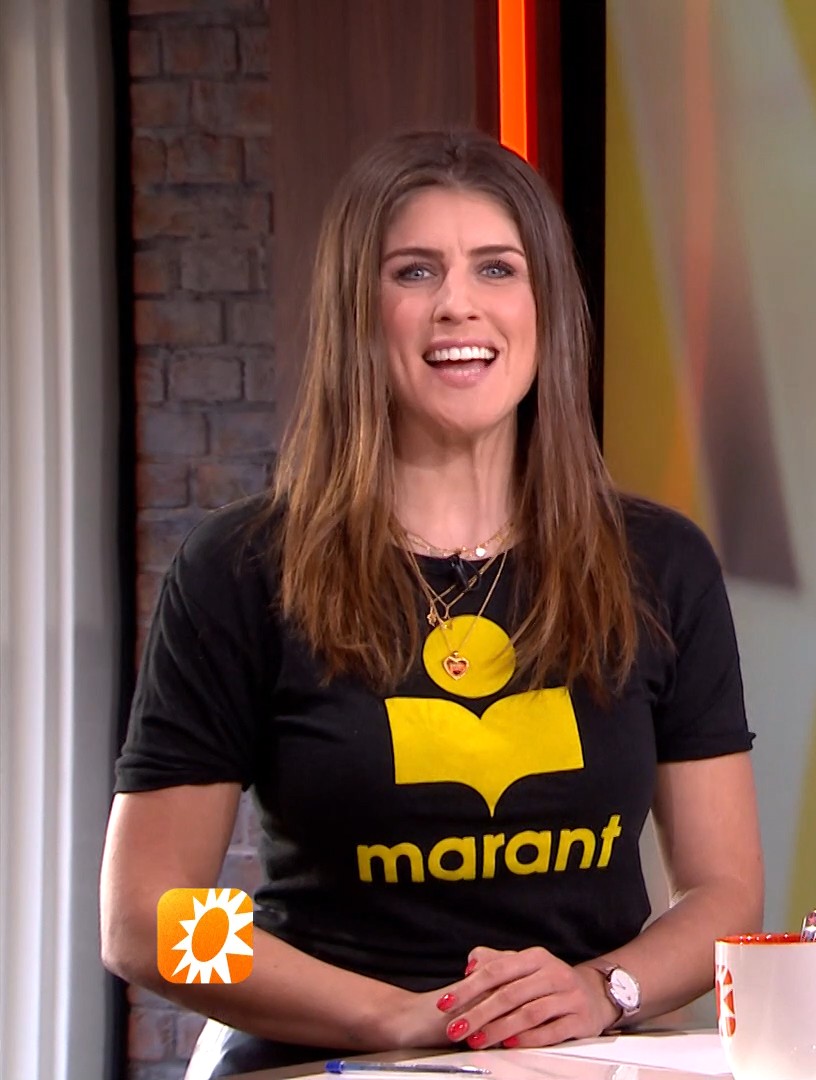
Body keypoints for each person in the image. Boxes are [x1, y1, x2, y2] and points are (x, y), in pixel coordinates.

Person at [100, 130, 764, 1077]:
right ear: (357, 312)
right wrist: (397, 1019)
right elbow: (147, 919)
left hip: (580, 1057)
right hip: (331, 1059)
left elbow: (725, 895)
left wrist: (602, 989)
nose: (459, 303)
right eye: (414, 271)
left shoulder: (660, 562)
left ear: (545, 309)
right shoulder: (241, 568)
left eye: (497, 268)